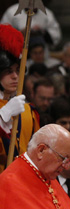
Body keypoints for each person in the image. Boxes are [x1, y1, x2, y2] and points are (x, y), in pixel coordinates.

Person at [0, 25, 39, 159]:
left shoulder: (29, 111)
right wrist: (3, 115)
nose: (15, 76)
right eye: (8, 71)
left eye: (18, 70)